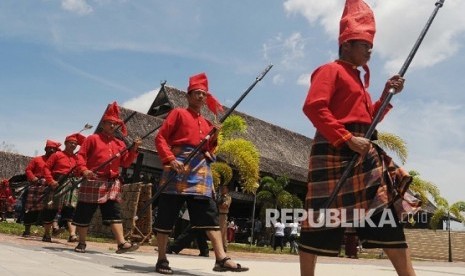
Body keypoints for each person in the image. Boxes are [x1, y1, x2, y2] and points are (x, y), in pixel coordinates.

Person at [299, 1, 419, 275]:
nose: (370, 51)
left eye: (370, 45)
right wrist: (346, 138)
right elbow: (314, 107)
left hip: (364, 155)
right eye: (364, 44)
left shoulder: (359, 82)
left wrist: (387, 95)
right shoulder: (330, 70)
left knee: (384, 213)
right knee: (321, 217)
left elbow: (368, 120)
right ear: (346, 45)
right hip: (334, 150)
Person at [153, 72, 248, 274]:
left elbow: (210, 150)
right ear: (188, 96)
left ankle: (221, 258)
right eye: (196, 93)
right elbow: (161, 138)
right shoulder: (178, 113)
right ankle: (162, 258)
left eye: (204, 94)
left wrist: (213, 137)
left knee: (209, 214)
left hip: (200, 170)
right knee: (167, 215)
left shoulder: (206, 123)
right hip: (177, 165)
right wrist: (170, 159)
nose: (201, 97)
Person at [72, 102, 141, 254]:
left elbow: (125, 162)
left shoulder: (120, 143)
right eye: (109, 123)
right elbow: (81, 156)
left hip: (111, 183)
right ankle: (81, 242)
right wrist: (84, 170)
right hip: (93, 180)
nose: (112, 126)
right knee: (85, 212)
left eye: (115, 124)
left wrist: (134, 150)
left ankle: (121, 243)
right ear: (103, 124)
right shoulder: (92, 139)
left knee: (114, 212)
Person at [43, 132, 86, 243]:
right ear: (66, 143)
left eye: (75, 144)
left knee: (70, 209)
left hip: (72, 184)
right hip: (58, 183)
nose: (73, 145)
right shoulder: (57, 155)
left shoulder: (77, 158)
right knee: (52, 208)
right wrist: (51, 181)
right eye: (71, 143)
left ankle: (72, 235)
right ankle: (47, 234)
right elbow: (46, 168)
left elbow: (80, 170)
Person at [22, 140, 61, 237]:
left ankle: (55, 228)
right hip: (36, 185)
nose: (52, 150)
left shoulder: (57, 162)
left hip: (50, 185)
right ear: (45, 149)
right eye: (50, 148)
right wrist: (33, 177)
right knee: (31, 207)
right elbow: (28, 170)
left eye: (54, 149)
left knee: (50, 207)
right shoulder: (37, 159)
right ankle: (27, 230)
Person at [217, 184, 231, 252]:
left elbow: (225, 205)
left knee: (222, 232)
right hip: (218, 214)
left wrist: (218, 205)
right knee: (218, 231)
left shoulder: (228, 197)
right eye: (221, 188)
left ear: (227, 190)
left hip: (223, 215)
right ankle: (219, 247)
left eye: (224, 188)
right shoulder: (219, 196)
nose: (222, 189)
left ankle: (223, 247)